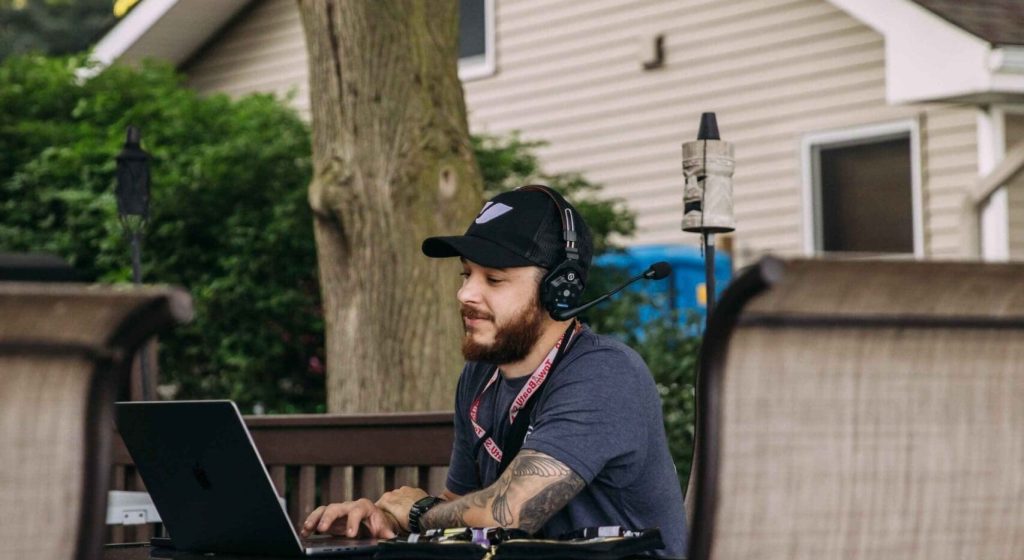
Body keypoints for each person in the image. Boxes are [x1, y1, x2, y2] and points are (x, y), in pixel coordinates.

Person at [301, 186, 687, 557]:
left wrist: (416, 513)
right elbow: (462, 506)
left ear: (559, 290)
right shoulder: (480, 374)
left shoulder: (605, 374)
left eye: (494, 279)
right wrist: (385, 518)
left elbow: (507, 512)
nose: (466, 294)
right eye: (466, 274)